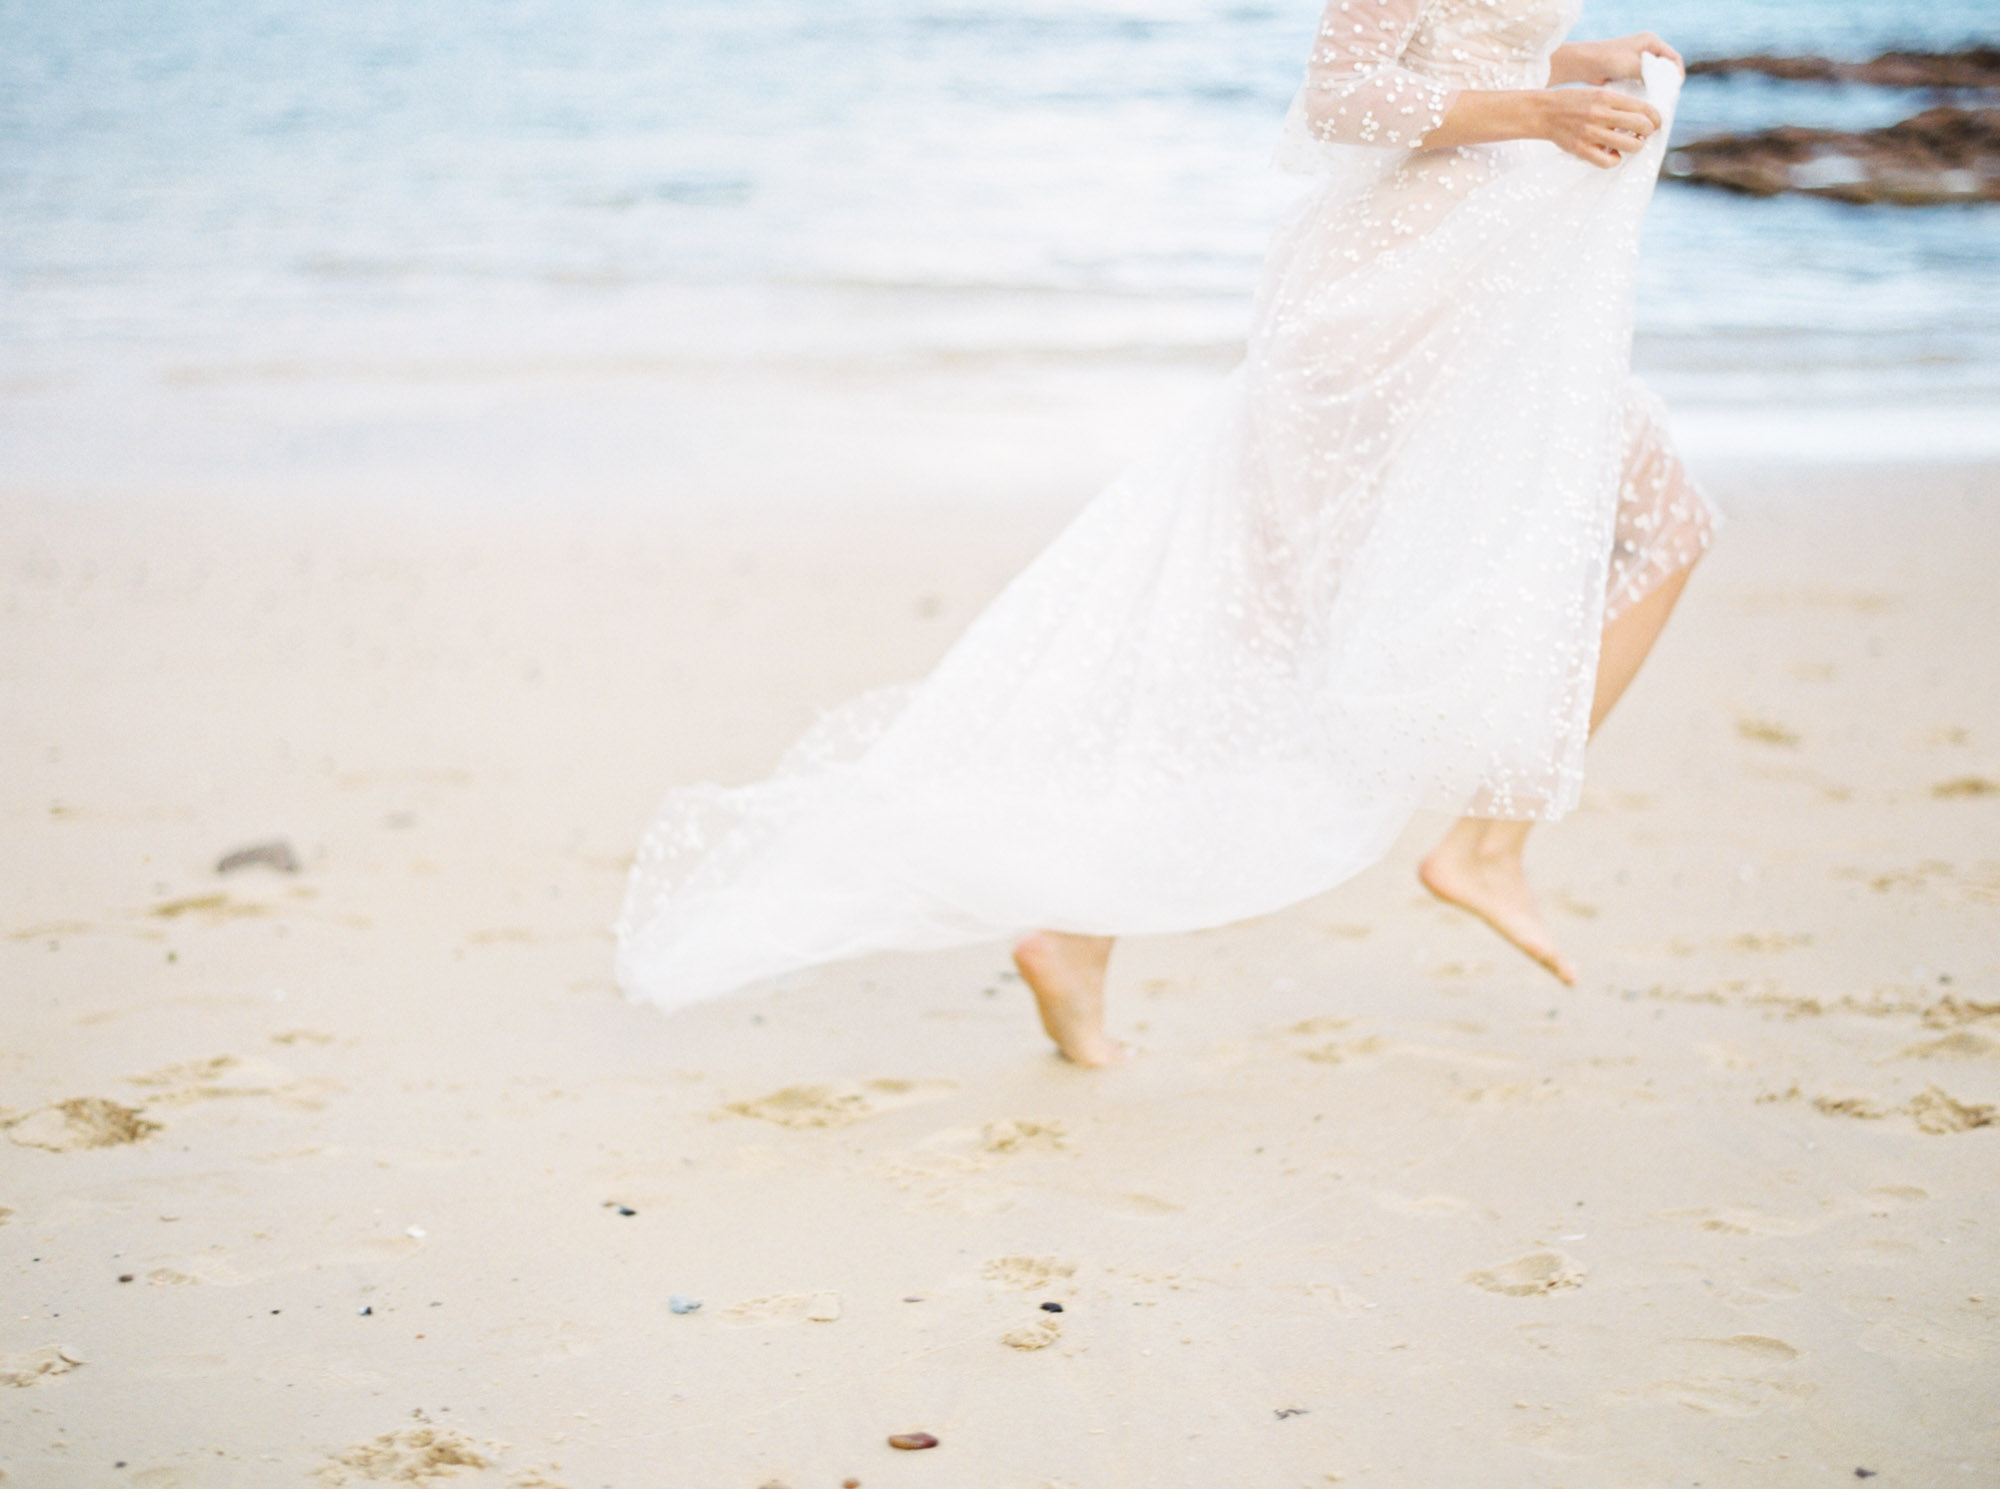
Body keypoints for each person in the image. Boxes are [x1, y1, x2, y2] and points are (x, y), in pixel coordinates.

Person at [618, 0, 1716, 1067]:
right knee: (1291, 641)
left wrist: (1566, 65)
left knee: (1604, 537)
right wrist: (1537, 116)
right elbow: (1340, 96)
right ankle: (1471, 848)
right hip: (1391, 308)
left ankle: (1104, 929)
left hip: (1464, 292)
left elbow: (1453, 37)